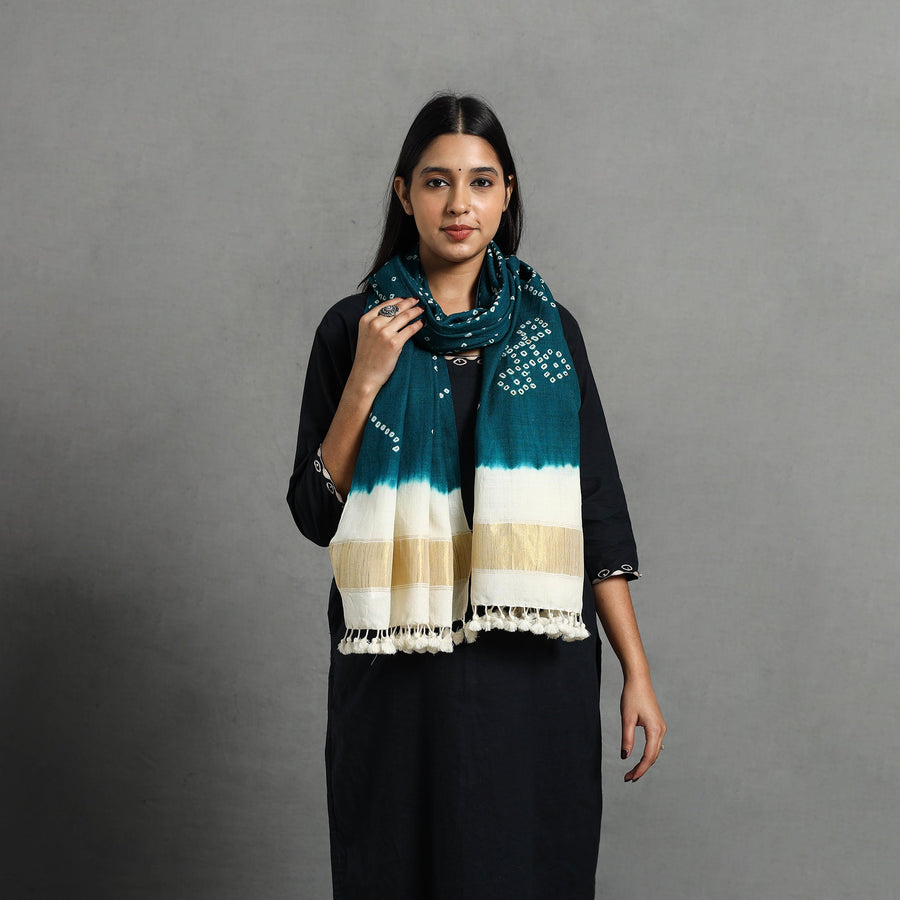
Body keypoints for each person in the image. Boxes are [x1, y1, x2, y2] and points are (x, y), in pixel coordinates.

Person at [287, 93, 666, 900]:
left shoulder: (549, 332)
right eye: (437, 182)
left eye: (481, 182)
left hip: (533, 667)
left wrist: (636, 669)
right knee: (398, 867)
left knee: (526, 869)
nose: (460, 204)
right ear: (404, 194)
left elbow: (596, 507)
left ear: (507, 194)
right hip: (401, 670)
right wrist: (366, 379)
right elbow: (316, 513)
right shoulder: (354, 328)